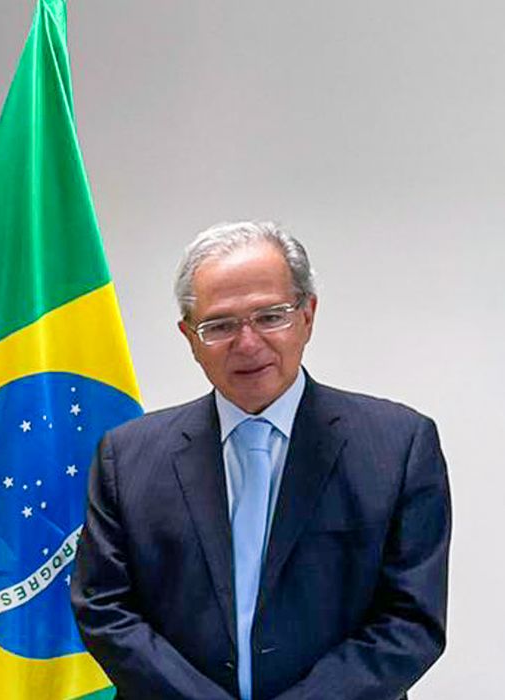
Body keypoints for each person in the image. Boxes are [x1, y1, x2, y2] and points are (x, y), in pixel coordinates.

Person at [71, 221, 450, 700]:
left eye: (270, 316)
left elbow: (411, 620)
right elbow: (104, 607)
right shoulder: (126, 457)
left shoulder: (399, 446)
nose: (247, 343)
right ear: (189, 336)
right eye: (220, 325)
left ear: (308, 316)